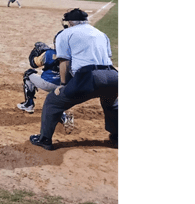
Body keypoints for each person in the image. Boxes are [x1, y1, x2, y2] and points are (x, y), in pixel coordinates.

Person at [30, 8, 119, 150]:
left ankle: (44, 139)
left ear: (70, 22)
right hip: (113, 76)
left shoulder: (66, 34)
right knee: (112, 104)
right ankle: (118, 138)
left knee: (52, 102)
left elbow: (64, 61)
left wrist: (63, 84)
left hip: (89, 77)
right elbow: (108, 58)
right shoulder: (101, 34)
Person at [16, 42, 74, 128]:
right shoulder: (73, 55)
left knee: (28, 75)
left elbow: (33, 63)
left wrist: (35, 52)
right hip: (65, 87)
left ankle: (29, 104)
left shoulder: (48, 54)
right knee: (56, 101)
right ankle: (63, 116)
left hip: (47, 83)